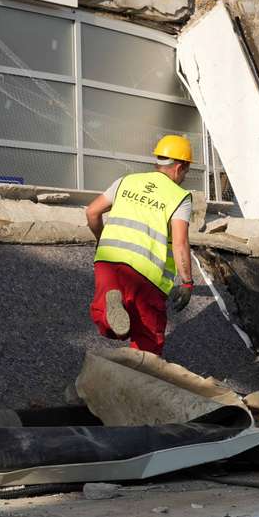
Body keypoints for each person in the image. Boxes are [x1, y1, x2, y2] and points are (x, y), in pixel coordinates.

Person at [85, 134, 196, 356]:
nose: (185, 176)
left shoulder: (126, 181)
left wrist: (102, 240)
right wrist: (187, 282)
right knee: (148, 338)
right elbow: (180, 242)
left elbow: (92, 211)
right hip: (145, 273)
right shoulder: (179, 196)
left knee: (107, 320)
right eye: (186, 170)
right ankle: (140, 380)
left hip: (108, 261)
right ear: (179, 166)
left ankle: (110, 310)